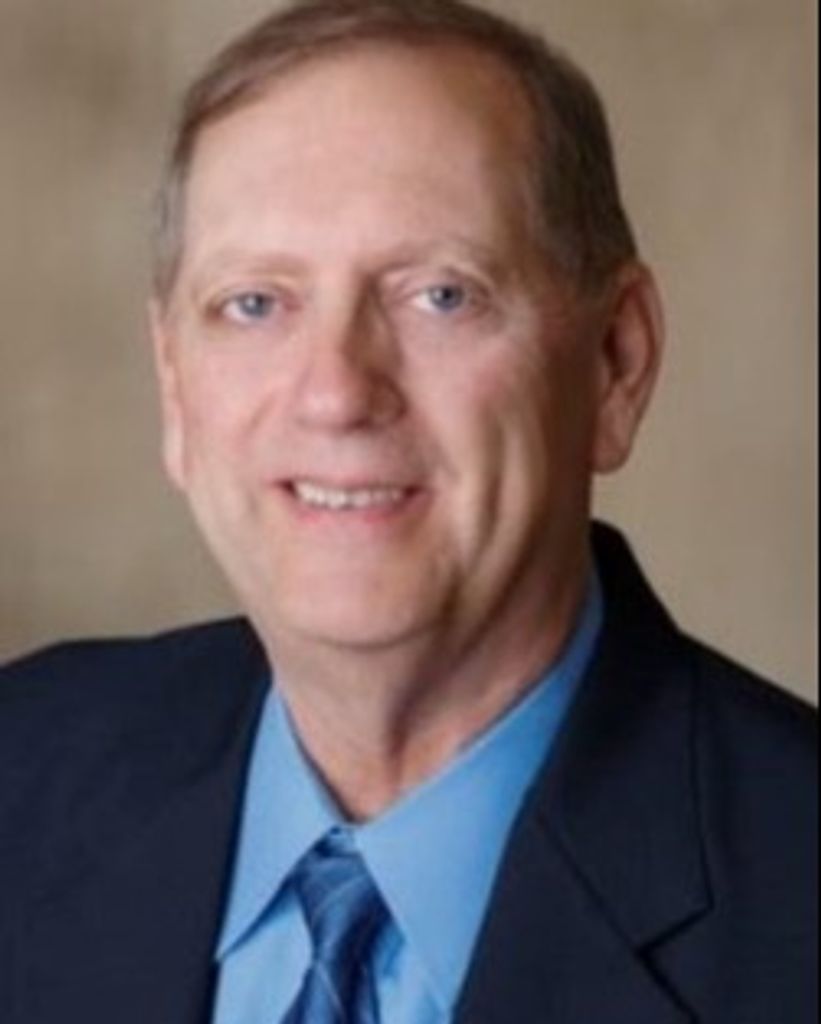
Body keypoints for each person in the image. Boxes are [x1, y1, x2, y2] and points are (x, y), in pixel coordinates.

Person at [0, 0, 815, 1021]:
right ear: (174, 385)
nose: (337, 392)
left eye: (440, 295)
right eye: (255, 303)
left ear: (615, 363)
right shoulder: (22, 771)